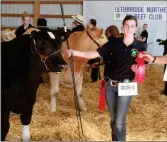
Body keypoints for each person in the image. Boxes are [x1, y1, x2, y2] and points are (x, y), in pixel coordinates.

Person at [66, 15, 145, 141]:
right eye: (126, 25)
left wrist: (137, 70)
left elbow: (142, 66)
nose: (129, 28)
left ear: (135, 28)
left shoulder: (140, 46)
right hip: (109, 86)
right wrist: (75, 52)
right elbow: (94, 53)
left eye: (132, 26)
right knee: (113, 119)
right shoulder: (113, 43)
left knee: (120, 121)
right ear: (122, 26)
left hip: (126, 86)